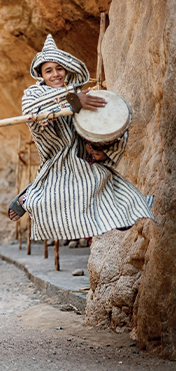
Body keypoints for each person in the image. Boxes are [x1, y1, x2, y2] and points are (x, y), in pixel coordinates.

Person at [8, 35, 155, 240]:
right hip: (55, 157)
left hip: (81, 155)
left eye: (59, 68)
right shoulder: (33, 93)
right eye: (48, 70)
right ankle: (28, 197)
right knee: (50, 200)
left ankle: (115, 213)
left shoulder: (81, 92)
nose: (55, 74)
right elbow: (31, 110)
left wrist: (104, 152)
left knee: (107, 186)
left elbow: (111, 122)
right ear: (41, 74)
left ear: (66, 69)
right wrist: (74, 100)